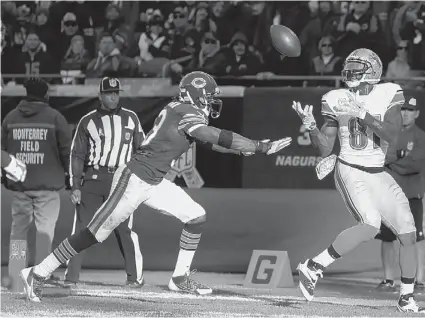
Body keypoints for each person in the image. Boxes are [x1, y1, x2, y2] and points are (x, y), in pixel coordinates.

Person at [20, 71, 292, 302]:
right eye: (209, 96)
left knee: (196, 217)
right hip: (134, 178)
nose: (212, 102)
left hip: (154, 180)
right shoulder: (183, 111)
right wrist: (259, 146)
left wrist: (245, 151)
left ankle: (180, 277)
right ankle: (38, 272)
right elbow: (213, 135)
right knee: (93, 233)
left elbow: (214, 143)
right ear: (194, 95)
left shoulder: (184, 113)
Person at [292, 48, 425, 314]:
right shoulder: (335, 98)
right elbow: (325, 148)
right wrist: (311, 126)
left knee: (408, 234)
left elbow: (392, 134)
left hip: (378, 171)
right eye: (349, 67)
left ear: (374, 71)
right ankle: (313, 266)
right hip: (351, 168)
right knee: (369, 225)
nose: (351, 72)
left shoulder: (388, 92)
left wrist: (362, 113)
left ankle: (406, 298)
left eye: (357, 68)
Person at [64, 77, 145, 288]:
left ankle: (134, 278)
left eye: (116, 92)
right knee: (82, 228)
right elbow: (77, 154)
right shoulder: (88, 121)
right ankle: (71, 277)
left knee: (123, 229)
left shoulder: (131, 118)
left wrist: (139, 181)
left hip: (121, 179)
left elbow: (142, 151)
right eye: (109, 93)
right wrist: (75, 185)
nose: (113, 96)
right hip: (94, 178)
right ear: (100, 95)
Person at [2, 77, 72, 284]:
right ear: (45, 94)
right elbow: (66, 151)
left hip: (20, 186)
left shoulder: (11, 118)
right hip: (48, 187)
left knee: (18, 233)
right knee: (44, 232)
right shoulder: (55, 117)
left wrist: (7, 176)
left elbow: (2, 151)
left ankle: (15, 273)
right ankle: (41, 274)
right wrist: (70, 176)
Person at [376, 96, 425, 294]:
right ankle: (388, 279)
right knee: (387, 237)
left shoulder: (422, 137)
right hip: (389, 193)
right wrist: (398, 157)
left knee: (416, 238)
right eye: (403, 109)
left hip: (411, 194)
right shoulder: (388, 134)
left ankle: (419, 281)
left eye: (410, 110)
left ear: (417, 113)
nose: (405, 113)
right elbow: (379, 158)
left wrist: (392, 162)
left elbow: (414, 164)